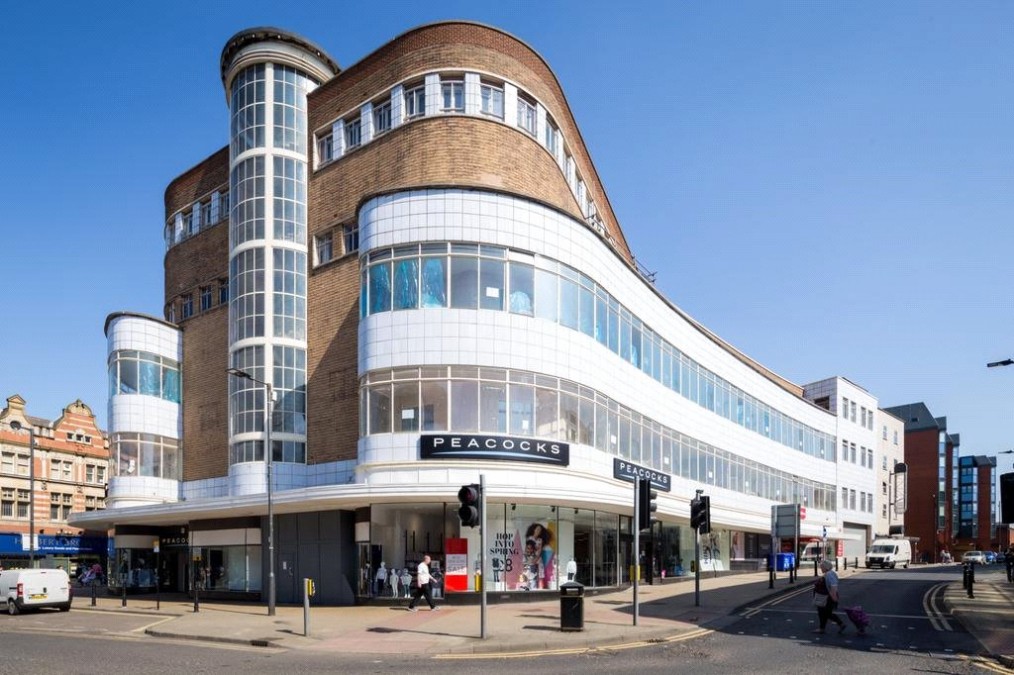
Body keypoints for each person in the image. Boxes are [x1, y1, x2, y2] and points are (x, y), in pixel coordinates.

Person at [812, 560, 847, 634]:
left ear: (826, 567)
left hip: (827, 598)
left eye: (822, 567)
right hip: (825, 597)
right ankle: (823, 628)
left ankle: (840, 624)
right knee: (823, 613)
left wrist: (834, 598)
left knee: (826, 613)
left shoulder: (829, 574)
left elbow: (833, 586)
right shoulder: (828, 573)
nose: (821, 568)